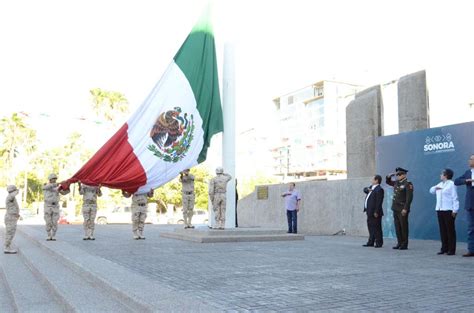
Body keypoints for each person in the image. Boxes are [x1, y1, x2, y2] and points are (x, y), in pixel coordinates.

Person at [430, 168, 459, 255]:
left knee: (450, 230)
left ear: (446, 175)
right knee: (442, 230)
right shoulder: (440, 184)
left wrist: (455, 210)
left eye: (442, 174)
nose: (440, 175)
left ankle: (451, 249)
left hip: (448, 210)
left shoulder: (452, 184)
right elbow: (431, 191)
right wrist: (435, 187)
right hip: (440, 209)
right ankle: (444, 248)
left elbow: (455, 198)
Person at [386, 167, 413, 250]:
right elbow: (388, 182)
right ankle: (399, 242)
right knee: (397, 226)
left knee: (403, 226)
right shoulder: (397, 182)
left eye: (399, 174)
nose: (398, 176)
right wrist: (388, 176)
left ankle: (404, 244)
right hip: (395, 208)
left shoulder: (408, 184)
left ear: (404, 175)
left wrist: (405, 208)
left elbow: (409, 198)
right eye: (397, 174)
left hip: (402, 208)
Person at [454, 154, 474, 257]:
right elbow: (456, 181)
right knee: (471, 228)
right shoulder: (468, 173)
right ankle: (471, 250)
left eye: (471, 159)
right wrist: (466, 181)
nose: (469, 161)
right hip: (470, 205)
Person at [43, 173, 70, 241]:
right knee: (48, 221)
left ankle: (53, 235)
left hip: (55, 206)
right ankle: (49, 235)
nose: (54, 180)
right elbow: (47, 187)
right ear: (50, 179)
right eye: (53, 179)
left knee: (55, 221)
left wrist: (68, 186)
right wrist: (59, 183)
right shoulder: (46, 185)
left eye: (55, 179)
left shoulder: (57, 187)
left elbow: (63, 192)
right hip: (48, 206)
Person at [363, 175, 384, 248]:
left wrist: (376, 212)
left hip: (375, 213)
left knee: (377, 227)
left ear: (377, 180)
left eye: (373, 179)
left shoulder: (379, 189)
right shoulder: (371, 187)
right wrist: (367, 189)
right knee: (370, 227)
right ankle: (371, 242)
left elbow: (379, 202)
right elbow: (364, 189)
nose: (371, 180)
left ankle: (379, 243)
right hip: (369, 211)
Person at [4, 185, 20, 254]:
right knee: (10, 233)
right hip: (10, 218)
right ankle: (7, 248)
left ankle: (7, 246)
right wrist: (16, 191)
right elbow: (12, 195)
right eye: (15, 190)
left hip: (12, 217)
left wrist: (18, 214)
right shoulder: (10, 197)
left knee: (11, 232)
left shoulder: (11, 198)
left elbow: (14, 208)